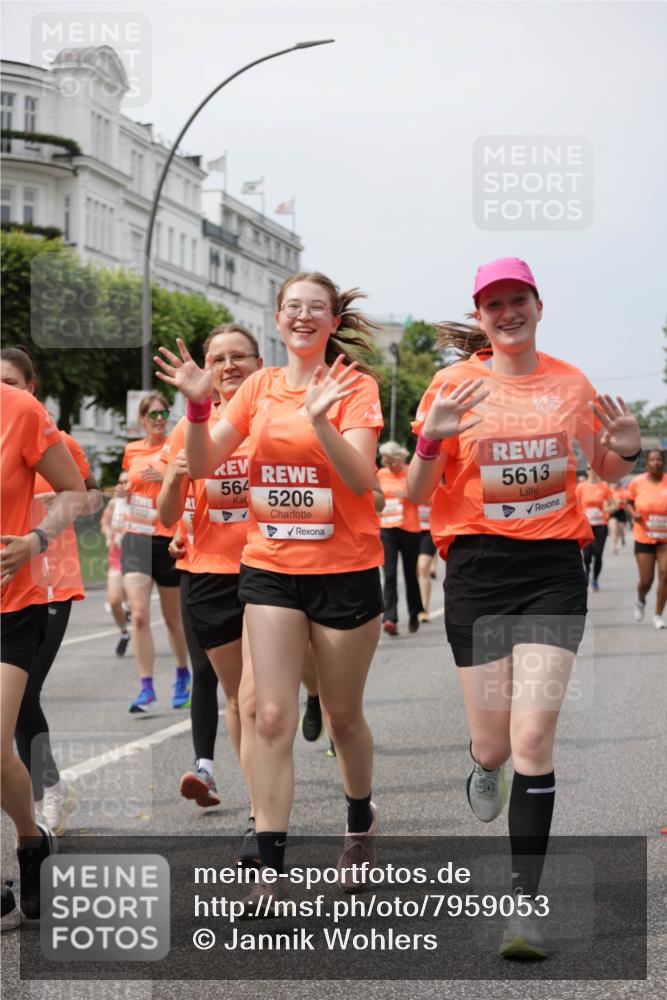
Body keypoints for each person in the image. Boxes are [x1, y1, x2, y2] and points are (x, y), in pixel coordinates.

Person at [408, 257, 641, 959]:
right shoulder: (452, 384)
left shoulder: (570, 384)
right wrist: (431, 438)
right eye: (493, 304)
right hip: (478, 569)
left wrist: (625, 451)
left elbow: (602, 466)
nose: (507, 313)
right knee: (496, 745)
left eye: (518, 300)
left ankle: (523, 904)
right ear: (480, 317)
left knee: (533, 737)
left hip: (550, 569)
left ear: (539, 306)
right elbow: (417, 492)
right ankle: (483, 765)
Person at [155, 270, 384, 907]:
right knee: (271, 714)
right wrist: (198, 408)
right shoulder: (258, 386)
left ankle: (359, 820)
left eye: (317, 307)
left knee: (342, 717)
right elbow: (204, 463)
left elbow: (362, 479)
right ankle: (270, 865)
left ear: (333, 321)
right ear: (279, 318)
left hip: (343, 570)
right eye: (292, 306)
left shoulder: (354, 385)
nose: (303, 315)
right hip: (271, 567)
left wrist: (322, 421)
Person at [156, 324, 261, 859]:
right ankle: (260, 811)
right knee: (241, 699)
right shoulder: (190, 427)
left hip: (272, 568)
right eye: (218, 359)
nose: (229, 366)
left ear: (259, 362)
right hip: (210, 574)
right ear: (207, 368)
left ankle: (315, 699)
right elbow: (167, 514)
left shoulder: (273, 416)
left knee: (263, 699)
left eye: (239, 356)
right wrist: (176, 479)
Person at [1, 347, 102, 837]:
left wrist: (45, 511)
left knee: (25, 693)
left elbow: (89, 493)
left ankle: (48, 789)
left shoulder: (54, 438)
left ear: (30, 386)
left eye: (12, 382)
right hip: (12, 577)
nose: (6, 390)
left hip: (49, 583)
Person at [1, 380, 86, 927]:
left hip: (11, 602)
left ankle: (30, 842)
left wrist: (35, 539)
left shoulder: (20, 410)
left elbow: (75, 492)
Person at [121, 393, 190, 714]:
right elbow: (130, 485)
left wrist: (166, 478)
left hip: (167, 538)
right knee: (138, 614)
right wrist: (125, 490)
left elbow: (190, 485)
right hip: (136, 536)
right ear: (142, 419)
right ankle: (146, 687)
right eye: (153, 414)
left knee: (173, 619)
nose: (159, 419)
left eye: (164, 413)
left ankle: (182, 673)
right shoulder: (131, 450)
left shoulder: (177, 446)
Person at [377, 441, 423, 635]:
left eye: (391, 462)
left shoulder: (411, 471)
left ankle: (414, 613)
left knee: (410, 574)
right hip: (387, 529)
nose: (388, 466)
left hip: (409, 528)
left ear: (399, 459)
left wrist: (406, 494)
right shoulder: (381, 474)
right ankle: (390, 618)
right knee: (389, 575)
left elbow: (425, 496)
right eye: (385, 462)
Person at [626, 449, 667, 629]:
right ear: (647, 463)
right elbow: (628, 502)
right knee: (646, 580)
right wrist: (633, 514)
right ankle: (640, 599)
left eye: (659, 459)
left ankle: (658, 615)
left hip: (665, 539)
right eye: (652, 460)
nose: (656, 462)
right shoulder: (637, 482)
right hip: (644, 537)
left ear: (663, 463)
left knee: (665, 575)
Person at [100, 471, 131, 656]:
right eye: (121, 482)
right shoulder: (114, 503)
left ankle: (131, 610)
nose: (122, 486)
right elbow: (105, 524)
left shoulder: (142, 503)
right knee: (113, 601)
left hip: (138, 557)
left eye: (127, 482)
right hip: (117, 557)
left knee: (137, 606)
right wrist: (108, 535)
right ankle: (124, 633)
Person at [575, 466, 614, 591]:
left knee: (598, 554)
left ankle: (595, 579)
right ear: (586, 471)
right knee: (586, 555)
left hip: (601, 525)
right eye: (589, 468)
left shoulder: (604, 487)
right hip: (586, 526)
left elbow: (613, 504)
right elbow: (575, 505)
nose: (592, 470)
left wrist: (606, 510)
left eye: (594, 468)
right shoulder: (581, 487)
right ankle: (586, 572)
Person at [416, 501, 437, 622]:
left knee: (423, 567)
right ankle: (414, 607)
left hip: (430, 530)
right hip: (410, 529)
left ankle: (423, 609)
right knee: (415, 572)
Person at [608, 479, 629, 554]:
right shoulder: (609, 491)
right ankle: (614, 546)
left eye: (616, 483)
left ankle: (623, 538)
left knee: (621, 530)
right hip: (612, 512)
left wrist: (620, 501)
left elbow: (627, 501)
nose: (614, 484)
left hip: (621, 511)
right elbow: (606, 500)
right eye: (613, 483)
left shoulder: (623, 491)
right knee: (613, 529)